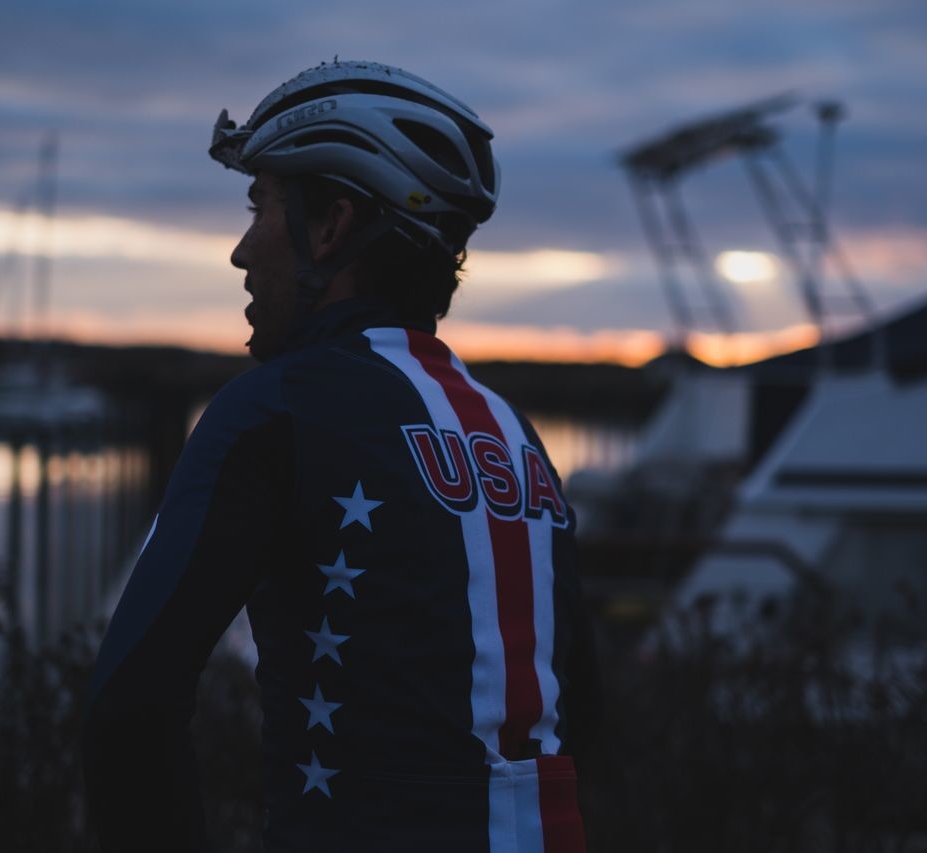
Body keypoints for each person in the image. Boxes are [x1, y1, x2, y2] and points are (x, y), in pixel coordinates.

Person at [82, 60, 597, 853]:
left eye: (262, 205)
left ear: (332, 225)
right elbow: (578, 713)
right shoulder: (512, 434)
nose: (241, 251)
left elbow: (130, 706)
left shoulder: (276, 408)